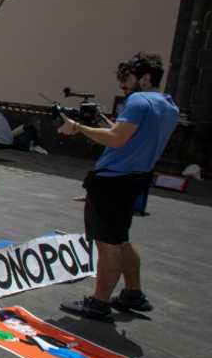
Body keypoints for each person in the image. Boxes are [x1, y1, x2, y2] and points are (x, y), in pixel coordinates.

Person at [58, 52, 179, 321]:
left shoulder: (138, 101)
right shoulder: (168, 105)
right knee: (121, 238)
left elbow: (116, 140)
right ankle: (133, 293)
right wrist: (100, 119)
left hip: (112, 180)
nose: (123, 87)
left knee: (107, 244)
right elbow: (129, 136)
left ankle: (98, 303)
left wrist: (77, 127)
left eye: (127, 81)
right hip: (137, 178)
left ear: (145, 78)